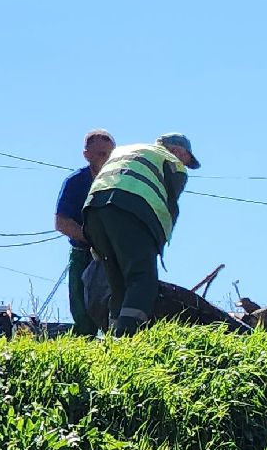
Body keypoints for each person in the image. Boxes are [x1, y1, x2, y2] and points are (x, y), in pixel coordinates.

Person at [82, 133, 199, 336]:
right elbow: (170, 205)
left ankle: (112, 336)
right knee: (142, 279)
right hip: (131, 210)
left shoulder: (128, 151)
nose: (185, 165)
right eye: (187, 160)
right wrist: (156, 245)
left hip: (93, 211)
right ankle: (128, 337)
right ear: (179, 151)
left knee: (117, 283)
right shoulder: (172, 161)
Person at [52, 129, 115, 336]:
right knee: (83, 316)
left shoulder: (121, 183)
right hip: (83, 256)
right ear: (86, 155)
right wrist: (92, 238)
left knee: (116, 314)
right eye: (100, 154)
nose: (106, 159)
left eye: (109, 154)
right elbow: (62, 222)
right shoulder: (76, 182)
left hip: (114, 258)